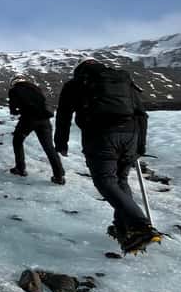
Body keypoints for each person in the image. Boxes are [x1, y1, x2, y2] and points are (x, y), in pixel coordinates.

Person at [55, 58, 161, 254]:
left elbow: (63, 114)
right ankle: (124, 228)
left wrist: (61, 143)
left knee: (105, 181)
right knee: (120, 180)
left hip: (100, 135)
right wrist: (141, 144)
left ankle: (139, 226)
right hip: (130, 134)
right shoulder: (122, 79)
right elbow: (141, 113)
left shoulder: (76, 83)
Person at [8, 75, 65, 185]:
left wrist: (18, 111)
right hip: (44, 120)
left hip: (28, 120)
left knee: (17, 141)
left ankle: (20, 168)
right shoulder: (35, 88)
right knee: (49, 147)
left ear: (13, 82)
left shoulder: (14, 90)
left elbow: (13, 110)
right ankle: (59, 175)